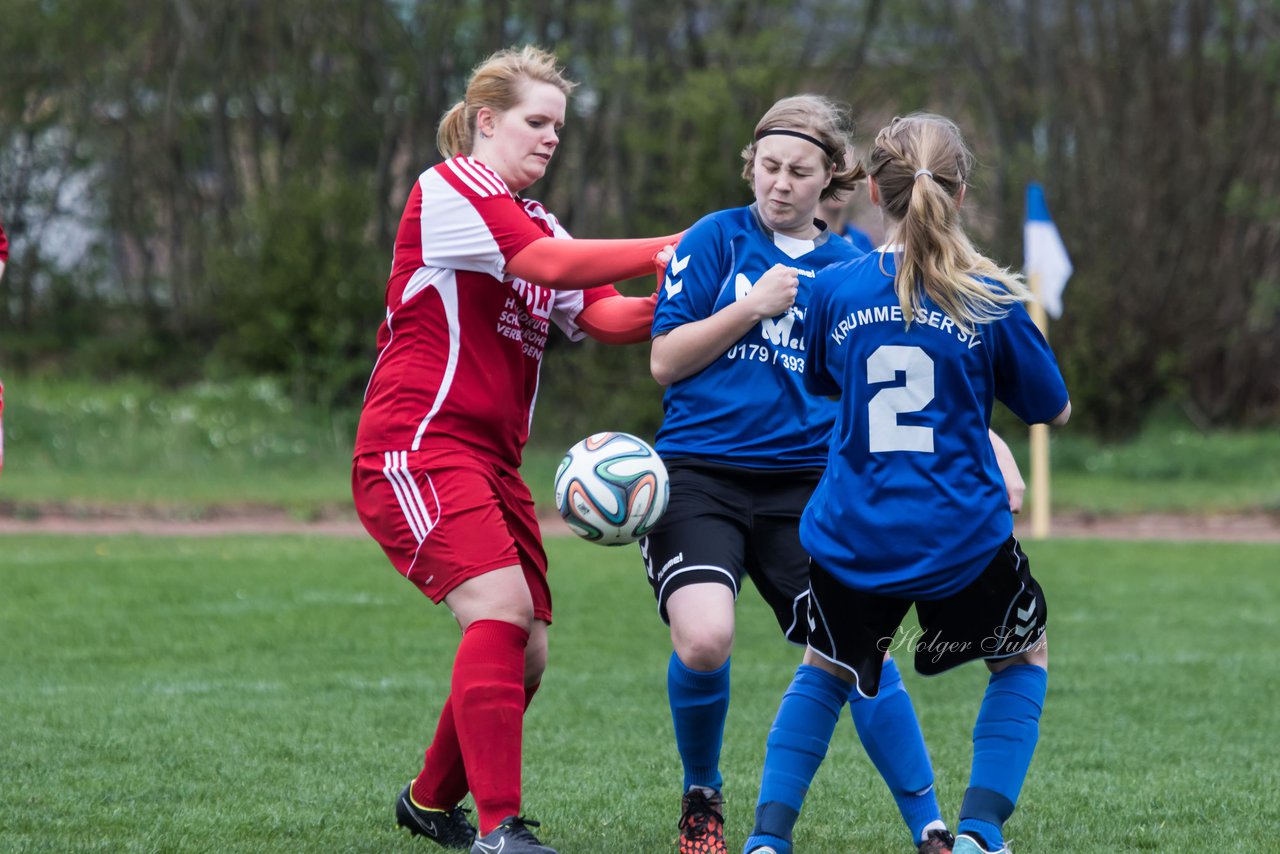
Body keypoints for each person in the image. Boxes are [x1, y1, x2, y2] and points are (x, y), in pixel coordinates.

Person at [644, 96, 1020, 854]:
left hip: (807, 489)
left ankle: (931, 829)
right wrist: (751, 307)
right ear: (751, 165)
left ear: (835, 183)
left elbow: (926, 380)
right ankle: (702, 797)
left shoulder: (852, 269)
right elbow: (665, 361)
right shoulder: (716, 239)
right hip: (699, 477)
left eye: (799, 172)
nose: (779, 184)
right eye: (769, 167)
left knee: (862, 653)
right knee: (707, 639)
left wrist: (994, 443)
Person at [351, 45, 680, 854]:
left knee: (526, 651)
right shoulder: (453, 185)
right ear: (486, 121)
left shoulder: (540, 220)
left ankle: (429, 804)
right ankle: (502, 831)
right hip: (418, 443)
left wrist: (703, 288)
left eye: (558, 128)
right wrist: (670, 242)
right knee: (497, 613)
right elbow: (544, 265)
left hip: (492, 461)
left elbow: (603, 316)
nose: (549, 138)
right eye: (536, 122)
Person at [742, 113, 1071, 854]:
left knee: (825, 670)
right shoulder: (986, 294)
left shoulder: (833, 287)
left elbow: (831, 380)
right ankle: (982, 834)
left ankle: (768, 840)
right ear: (957, 196)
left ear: (871, 194)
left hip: (856, 532)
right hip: (960, 533)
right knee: (1022, 658)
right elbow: (1052, 406)